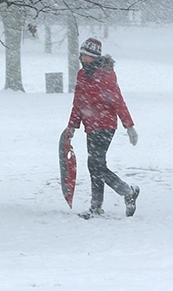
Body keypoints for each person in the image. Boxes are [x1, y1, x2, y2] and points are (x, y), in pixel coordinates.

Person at [65, 37, 140, 218]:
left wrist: (129, 126)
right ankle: (97, 207)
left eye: (86, 56)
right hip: (90, 126)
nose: (83, 58)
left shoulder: (106, 75)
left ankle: (127, 192)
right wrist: (72, 126)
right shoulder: (82, 75)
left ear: (95, 57)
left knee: (96, 165)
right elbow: (78, 102)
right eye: (82, 55)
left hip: (105, 125)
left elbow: (118, 101)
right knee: (95, 166)